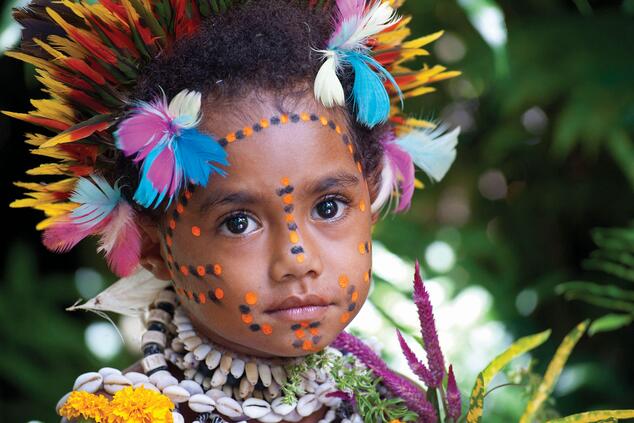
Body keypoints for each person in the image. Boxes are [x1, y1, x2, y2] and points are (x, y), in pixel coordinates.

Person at [5, 0, 461, 421]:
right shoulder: (125, 413)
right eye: (238, 222)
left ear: (372, 192)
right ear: (152, 245)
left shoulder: (393, 400)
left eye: (328, 206)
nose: (298, 260)